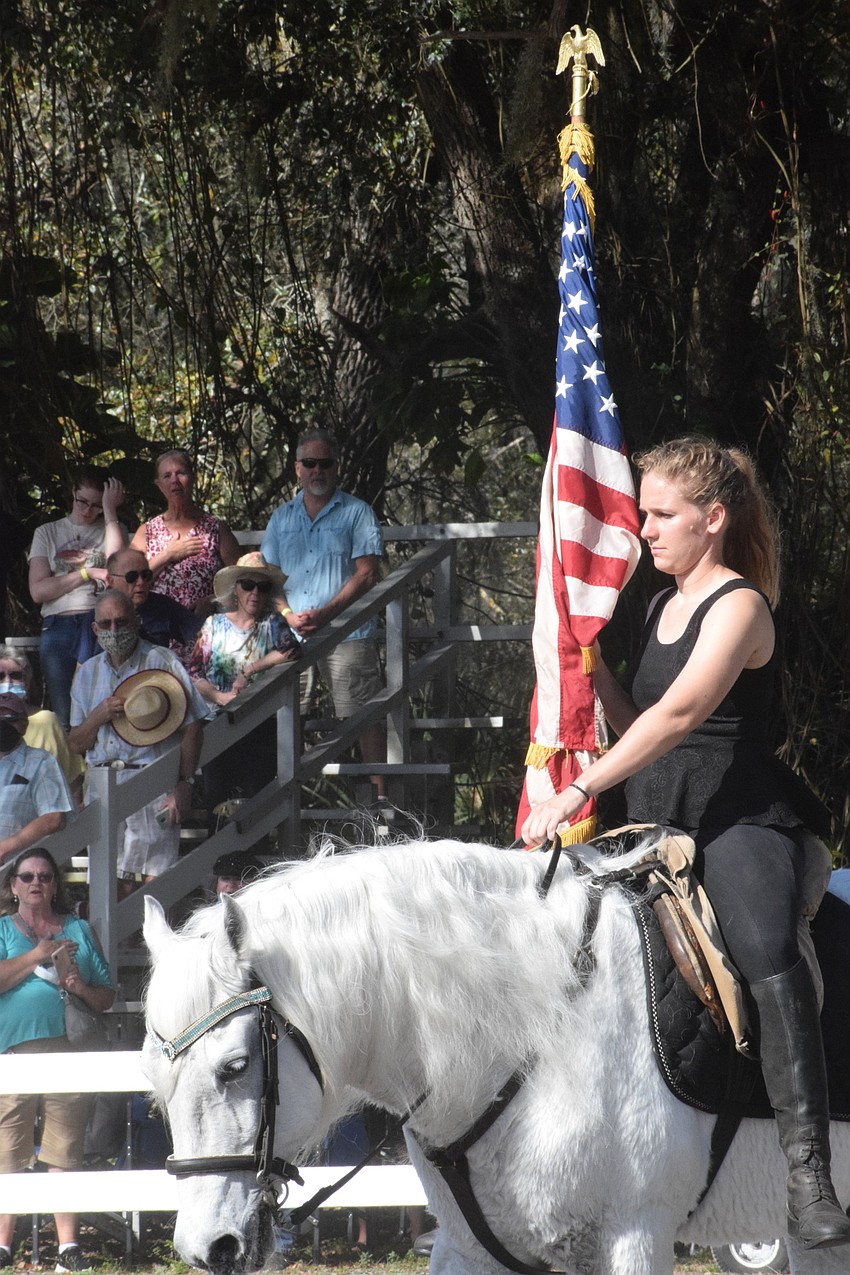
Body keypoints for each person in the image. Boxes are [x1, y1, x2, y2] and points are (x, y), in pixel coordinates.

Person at [521, 437, 850, 1251]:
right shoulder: (657, 605)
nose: (646, 529)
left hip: (737, 818)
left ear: (713, 518)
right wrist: (589, 668)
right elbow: (645, 724)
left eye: (662, 514)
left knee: (768, 948)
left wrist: (578, 788)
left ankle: (810, 1176)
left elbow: (681, 719)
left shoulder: (741, 604)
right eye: (643, 512)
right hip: (655, 811)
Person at [0, 848, 114, 1272]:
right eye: (26, 876)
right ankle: (3, 1246)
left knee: (64, 1149)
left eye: (45, 876)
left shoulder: (80, 929)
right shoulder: (1, 930)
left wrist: (79, 986)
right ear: (13, 886)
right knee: (7, 1148)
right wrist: (37, 955)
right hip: (13, 1050)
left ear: (55, 884)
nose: (35, 883)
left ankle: (68, 1247)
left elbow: (106, 997)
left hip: (71, 1049)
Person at [260, 428, 386, 795]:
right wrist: (286, 614)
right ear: (297, 468)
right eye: (310, 463)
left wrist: (327, 614)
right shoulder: (281, 518)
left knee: (363, 713)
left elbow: (367, 574)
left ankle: (379, 795)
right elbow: (268, 577)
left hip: (348, 631)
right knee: (285, 715)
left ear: (337, 467)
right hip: (291, 633)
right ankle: (280, 797)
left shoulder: (357, 513)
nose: (318, 471)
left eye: (325, 463)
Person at [68, 590, 208, 899]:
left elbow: (193, 724)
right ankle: (115, 945)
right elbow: (75, 743)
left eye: (121, 621)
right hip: (101, 783)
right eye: (105, 624)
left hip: (152, 777)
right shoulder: (87, 673)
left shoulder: (162, 660)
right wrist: (97, 717)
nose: (114, 631)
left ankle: (151, 944)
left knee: (154, 875)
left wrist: (184, 783)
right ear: (95, 629)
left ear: (137, 621)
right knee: (107, 876)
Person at [188, 553, 298, 812]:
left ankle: (253, 851)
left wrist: (250, 670)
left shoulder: (272, 623)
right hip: (217, 719)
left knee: (256, 796)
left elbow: (291, 649)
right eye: (248, 585)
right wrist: (218, 697)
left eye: (263, 587)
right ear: (235, 589)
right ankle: (218, 851)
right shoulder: (213, 625)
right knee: (217, 797)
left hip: (259, 721)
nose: (255, 593)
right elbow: (193, 672)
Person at [28, 466, 127, 730]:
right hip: (58, 625)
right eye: (82, 501)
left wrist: (110, 512)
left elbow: (117, 570)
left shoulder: (112, 528)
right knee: (64, 714)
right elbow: (38, 591)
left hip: (99, 624)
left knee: (102, 706)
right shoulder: (47, 532)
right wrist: (86, 573)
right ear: (72, 492)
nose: (87, 511)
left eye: (96, 505)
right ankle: (72, 771)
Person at [129, 448, 240, 624]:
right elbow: (129, 581)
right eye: (167, 476)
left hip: (205, 628)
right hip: (157, 630)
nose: (174, 480)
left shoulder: (215, 528)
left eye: (180, 473)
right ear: (158, 484)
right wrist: (168, 555)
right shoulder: (147, 531)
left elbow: (242, 580)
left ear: (192, 477)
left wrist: (213, 600)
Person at [76, 547, 199, 664]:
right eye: (132, 577)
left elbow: (202, 635)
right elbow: (82, 668)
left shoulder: (163, 606)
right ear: (111, 580)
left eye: (146, 575)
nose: (141, 582)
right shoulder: (97, 615)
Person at [0, 645, 84, 804]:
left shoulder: (46, 721)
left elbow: (73, 784)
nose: (7, 682)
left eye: (15, 675)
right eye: (0, 676)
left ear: (28, 681)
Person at [0, 694, 74, 869]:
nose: (2, 725)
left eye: (10, 719)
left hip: (18, 873)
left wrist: (4, 848)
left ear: (24, 724)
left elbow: (54, 818)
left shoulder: (40, 761)